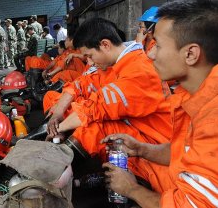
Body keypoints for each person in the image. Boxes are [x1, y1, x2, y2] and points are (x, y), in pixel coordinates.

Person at [102, 0, 218, 208]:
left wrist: (132, 190)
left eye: (159, 45)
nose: (150, 54)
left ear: (191, 54)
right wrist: (142, 149)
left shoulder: (213, 119)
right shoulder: (193, 97)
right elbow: (183, 151)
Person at [47, 18, 172, 164]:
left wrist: (57, 129)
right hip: (138, 133)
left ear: (105, 45)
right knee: (64, 105)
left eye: (90, 56)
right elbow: (81, 85)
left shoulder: (138, 70)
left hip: (155, 144)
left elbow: (95, 108)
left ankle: (55, 169)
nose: (90, 63)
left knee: (93, 128)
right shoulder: (114, 65)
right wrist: (58, 114)